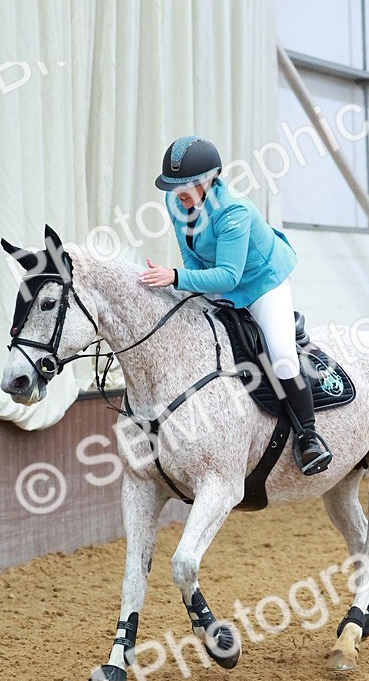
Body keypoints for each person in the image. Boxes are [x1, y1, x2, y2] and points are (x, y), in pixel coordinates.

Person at [138, 135, 332, 475]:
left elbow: (228, 276)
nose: (177, 193)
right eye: (173, 185)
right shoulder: (175, 203)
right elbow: (192, 257)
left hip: (262, 284)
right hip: (220, 281)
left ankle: (309, 436)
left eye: (185, 185)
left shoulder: (234, 211)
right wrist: (187, 284)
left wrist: (175, 277)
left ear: (208, 180)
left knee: (283, 356)